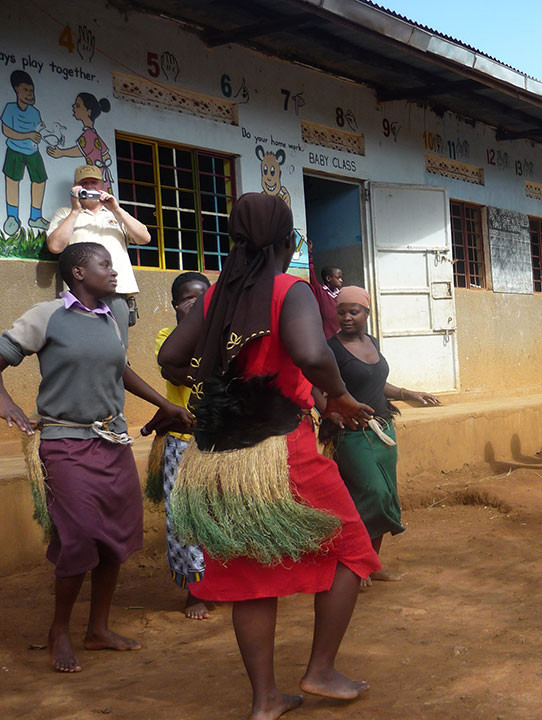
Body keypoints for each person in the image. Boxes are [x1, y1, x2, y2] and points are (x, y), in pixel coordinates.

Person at [158, 193, 381, 719]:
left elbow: (170, 358)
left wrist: (220, 388)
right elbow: (309, 352)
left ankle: (265, 702)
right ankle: (321, 669)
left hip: (223, 459)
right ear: (288, 243)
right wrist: (340, 395)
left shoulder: (215, 296)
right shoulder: (289, 289)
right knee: (353, 549)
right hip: (284, 451)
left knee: (251, 577)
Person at [0, 242, 191, 673]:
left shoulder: (111, 318)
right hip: (65, 442)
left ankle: (98, 629)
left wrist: (165, 404)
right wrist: (5, 402)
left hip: (113, 441)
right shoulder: (46, 316)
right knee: (80, 535)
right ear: (79, 273)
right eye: (105, 264)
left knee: (114, 539)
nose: (114, 270)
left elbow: (121, 369)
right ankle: (60, 630)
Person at [326, 286, 441, 586]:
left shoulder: (372, 342)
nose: (347, 317)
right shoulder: (330, 349)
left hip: (384, 431)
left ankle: (372, 565)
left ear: (367, 313)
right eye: (342, 312)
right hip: (352, 435)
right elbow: (312, 383)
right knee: (370, 495)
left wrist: (408, 393)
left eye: (354, 311)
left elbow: (379, 382)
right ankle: (354, 565)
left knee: (386, 496)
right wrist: (329, 410)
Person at [145, 271, 212, 620]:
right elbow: (175, 370)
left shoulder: (221, 338)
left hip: (220, 444)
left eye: (205, 298)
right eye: (189, 298)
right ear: (175, 305)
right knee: (184, 518)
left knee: (220, 513)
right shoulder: (165, 338)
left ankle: (223, 582)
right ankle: (195, 589)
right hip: (183, 444)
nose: (198, 303)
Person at [46, 165, 151, 326]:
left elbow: (144, 238)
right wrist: (75, 211)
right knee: (83, 344)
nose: (89, 187)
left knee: (118, 346)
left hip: (117, 290)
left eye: (93, 182)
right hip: (80, 293)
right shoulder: (65, 214)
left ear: (103, 186)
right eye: (84, 183)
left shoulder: (115, 214)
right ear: (75, 187)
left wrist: (116, 209)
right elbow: (55, 247)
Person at [2, 70, 47, 235]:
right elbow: (6, 131)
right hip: (14, 150)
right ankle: (12, 217)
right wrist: (26, 135)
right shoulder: (10, 109)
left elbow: (40, 130)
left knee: (40, 180)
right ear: (16, 90)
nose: (30, 94)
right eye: (26, 90)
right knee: (12, 181)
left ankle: (35, 217)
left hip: (33, 152)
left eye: (31, 90)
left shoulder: (35, 112)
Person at [46, 92, 114, 190]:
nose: (73, 107)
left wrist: (61, 152)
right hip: (103, 178)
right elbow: (106, 155)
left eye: (78, 106)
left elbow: (80, 150)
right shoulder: (95, 135)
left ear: (88, 112)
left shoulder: (89, 135)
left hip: (95, 179)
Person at [307, 239, 342, 340]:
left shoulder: (341, 294)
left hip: (341, 337)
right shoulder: (321, 291)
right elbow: (311, 272)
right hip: (326, 338)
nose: (341, 280)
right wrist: (309, 254)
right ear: (328, 279)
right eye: (338, 277)